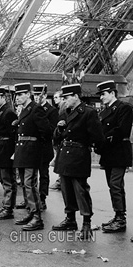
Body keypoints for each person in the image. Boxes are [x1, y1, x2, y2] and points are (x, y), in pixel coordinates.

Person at [52, 84, 105, 240]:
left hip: (79, 155)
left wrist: (97, 149)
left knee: (80, 190)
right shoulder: (64, 112)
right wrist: (59, 130)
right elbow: (57, 136)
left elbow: (97, 136)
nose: (64, 100)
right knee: (66, 189)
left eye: (67, 97)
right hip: (65, 155)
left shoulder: (89, 112)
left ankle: (86, 223)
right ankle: (70, 219)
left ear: (76, 96)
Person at [13, 82, 51, 231]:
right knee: (23, 183)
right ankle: (30, 212)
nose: (18, 97)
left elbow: (46, 132)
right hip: (23, 151)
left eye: (21, 94)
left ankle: (37, 217)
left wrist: (38, 149)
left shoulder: (36, 109)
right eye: (17, 95)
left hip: (31, 151)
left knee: (30, 184)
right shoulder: (24, 110)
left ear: (28, 95)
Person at [96, 80, 133, 233]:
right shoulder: (104, 111)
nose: (101, 98)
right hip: (108, 153)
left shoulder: (124, 108)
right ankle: (117, 215)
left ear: (112, 93)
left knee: (116, 185)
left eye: (103, 94)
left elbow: (122, 130)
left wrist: (103, 140)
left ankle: (120, 218)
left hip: (118, 152)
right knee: (112, 186)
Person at [0, 86, 18, 220]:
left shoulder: (8, 112)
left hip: (6, 149)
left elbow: (13, 135)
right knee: (4, 180)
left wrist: (13, 152)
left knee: (8, 181)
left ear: (3, 98)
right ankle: (6, 205)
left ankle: (8, 208)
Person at [32, 84, 58, 210]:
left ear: (45, 96)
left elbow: (52, 130)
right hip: (33, 146)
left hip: (44, 146)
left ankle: (42, 198)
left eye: (39, 95)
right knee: (31, 174)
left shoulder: (51, 111)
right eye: (35, 95)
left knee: (43, 174)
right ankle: (32, 198)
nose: (37, 97)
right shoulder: (32, 108)